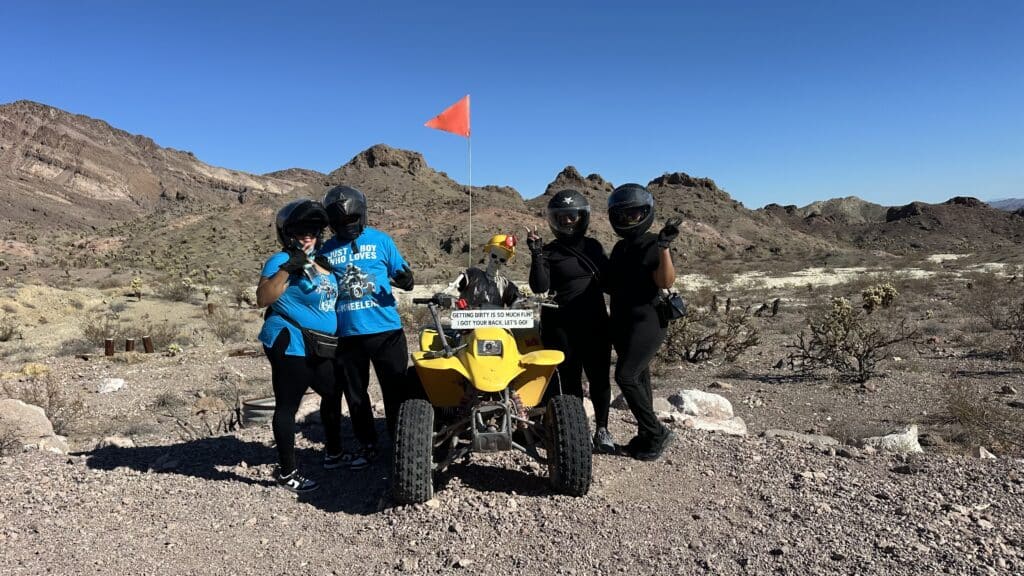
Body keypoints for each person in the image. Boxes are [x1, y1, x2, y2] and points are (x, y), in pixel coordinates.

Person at [320, 185, 415, 469]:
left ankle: (402, 442)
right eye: (340, 223)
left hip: (386, 330)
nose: (347, 226)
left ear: (361, 215)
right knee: (357, 396)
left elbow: (404, 276)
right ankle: (368, 445)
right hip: (348, 335)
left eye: (351, 220)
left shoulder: (382, 241)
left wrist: (404, 277)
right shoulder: (326, 250)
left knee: (396, 391)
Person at [256, 199, 342, 492]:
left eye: (314, 230)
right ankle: (287, 470)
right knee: (288, 405)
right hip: (290, 342)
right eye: (302, 230)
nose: (308, 236)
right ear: (288, 233)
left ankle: (333, 453)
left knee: (332, 392)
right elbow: (263, 297)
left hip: (320, 345)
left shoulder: (321, 261)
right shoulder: (279, 260)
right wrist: (287, 270)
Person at [526, 190, 615, 453]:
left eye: (572, 217)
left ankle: (602, 428)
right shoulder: (550, 251)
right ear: (554, 220)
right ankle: (577, 431)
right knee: (569, 379)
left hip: (595, 323)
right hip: (560, 326)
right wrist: (537, 254)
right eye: (562, 217)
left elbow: (610, 281)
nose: (567, 222)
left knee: (599, 378)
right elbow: (539, 287)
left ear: (582, 217)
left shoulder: (594, 247)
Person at [605, 183, 682, 461]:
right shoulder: (619, 248)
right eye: (623, 215)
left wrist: (664, 247)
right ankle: (646, 437)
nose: (628, 220)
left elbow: (665, 281)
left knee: (625, 375)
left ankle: (657, 432)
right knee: (639, 377)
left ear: (646, 213)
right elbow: (610, 284)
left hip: (647, 322)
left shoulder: (652, 243)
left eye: (635, 214)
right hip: (622, 323)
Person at [443, 234, 522, 308]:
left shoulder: (505, 285)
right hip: (469, 320)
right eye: (494, 256)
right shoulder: (474, 275)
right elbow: (461, 282)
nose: (497, 260)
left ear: (505, 261)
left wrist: (521, 302)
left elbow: (518, 300)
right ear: (489, 253)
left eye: (502, 259)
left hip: (495, 321)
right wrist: (453, 286)